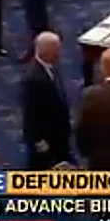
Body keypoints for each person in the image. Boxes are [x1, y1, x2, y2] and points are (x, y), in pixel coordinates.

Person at [22, 32, 71, 168]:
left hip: (57, 135)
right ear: (47, 52)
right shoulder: (33, 79)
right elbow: (31, 114)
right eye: (56, 50)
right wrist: (39, 141)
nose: (59, 54)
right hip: (46, 141)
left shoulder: (50, 66)